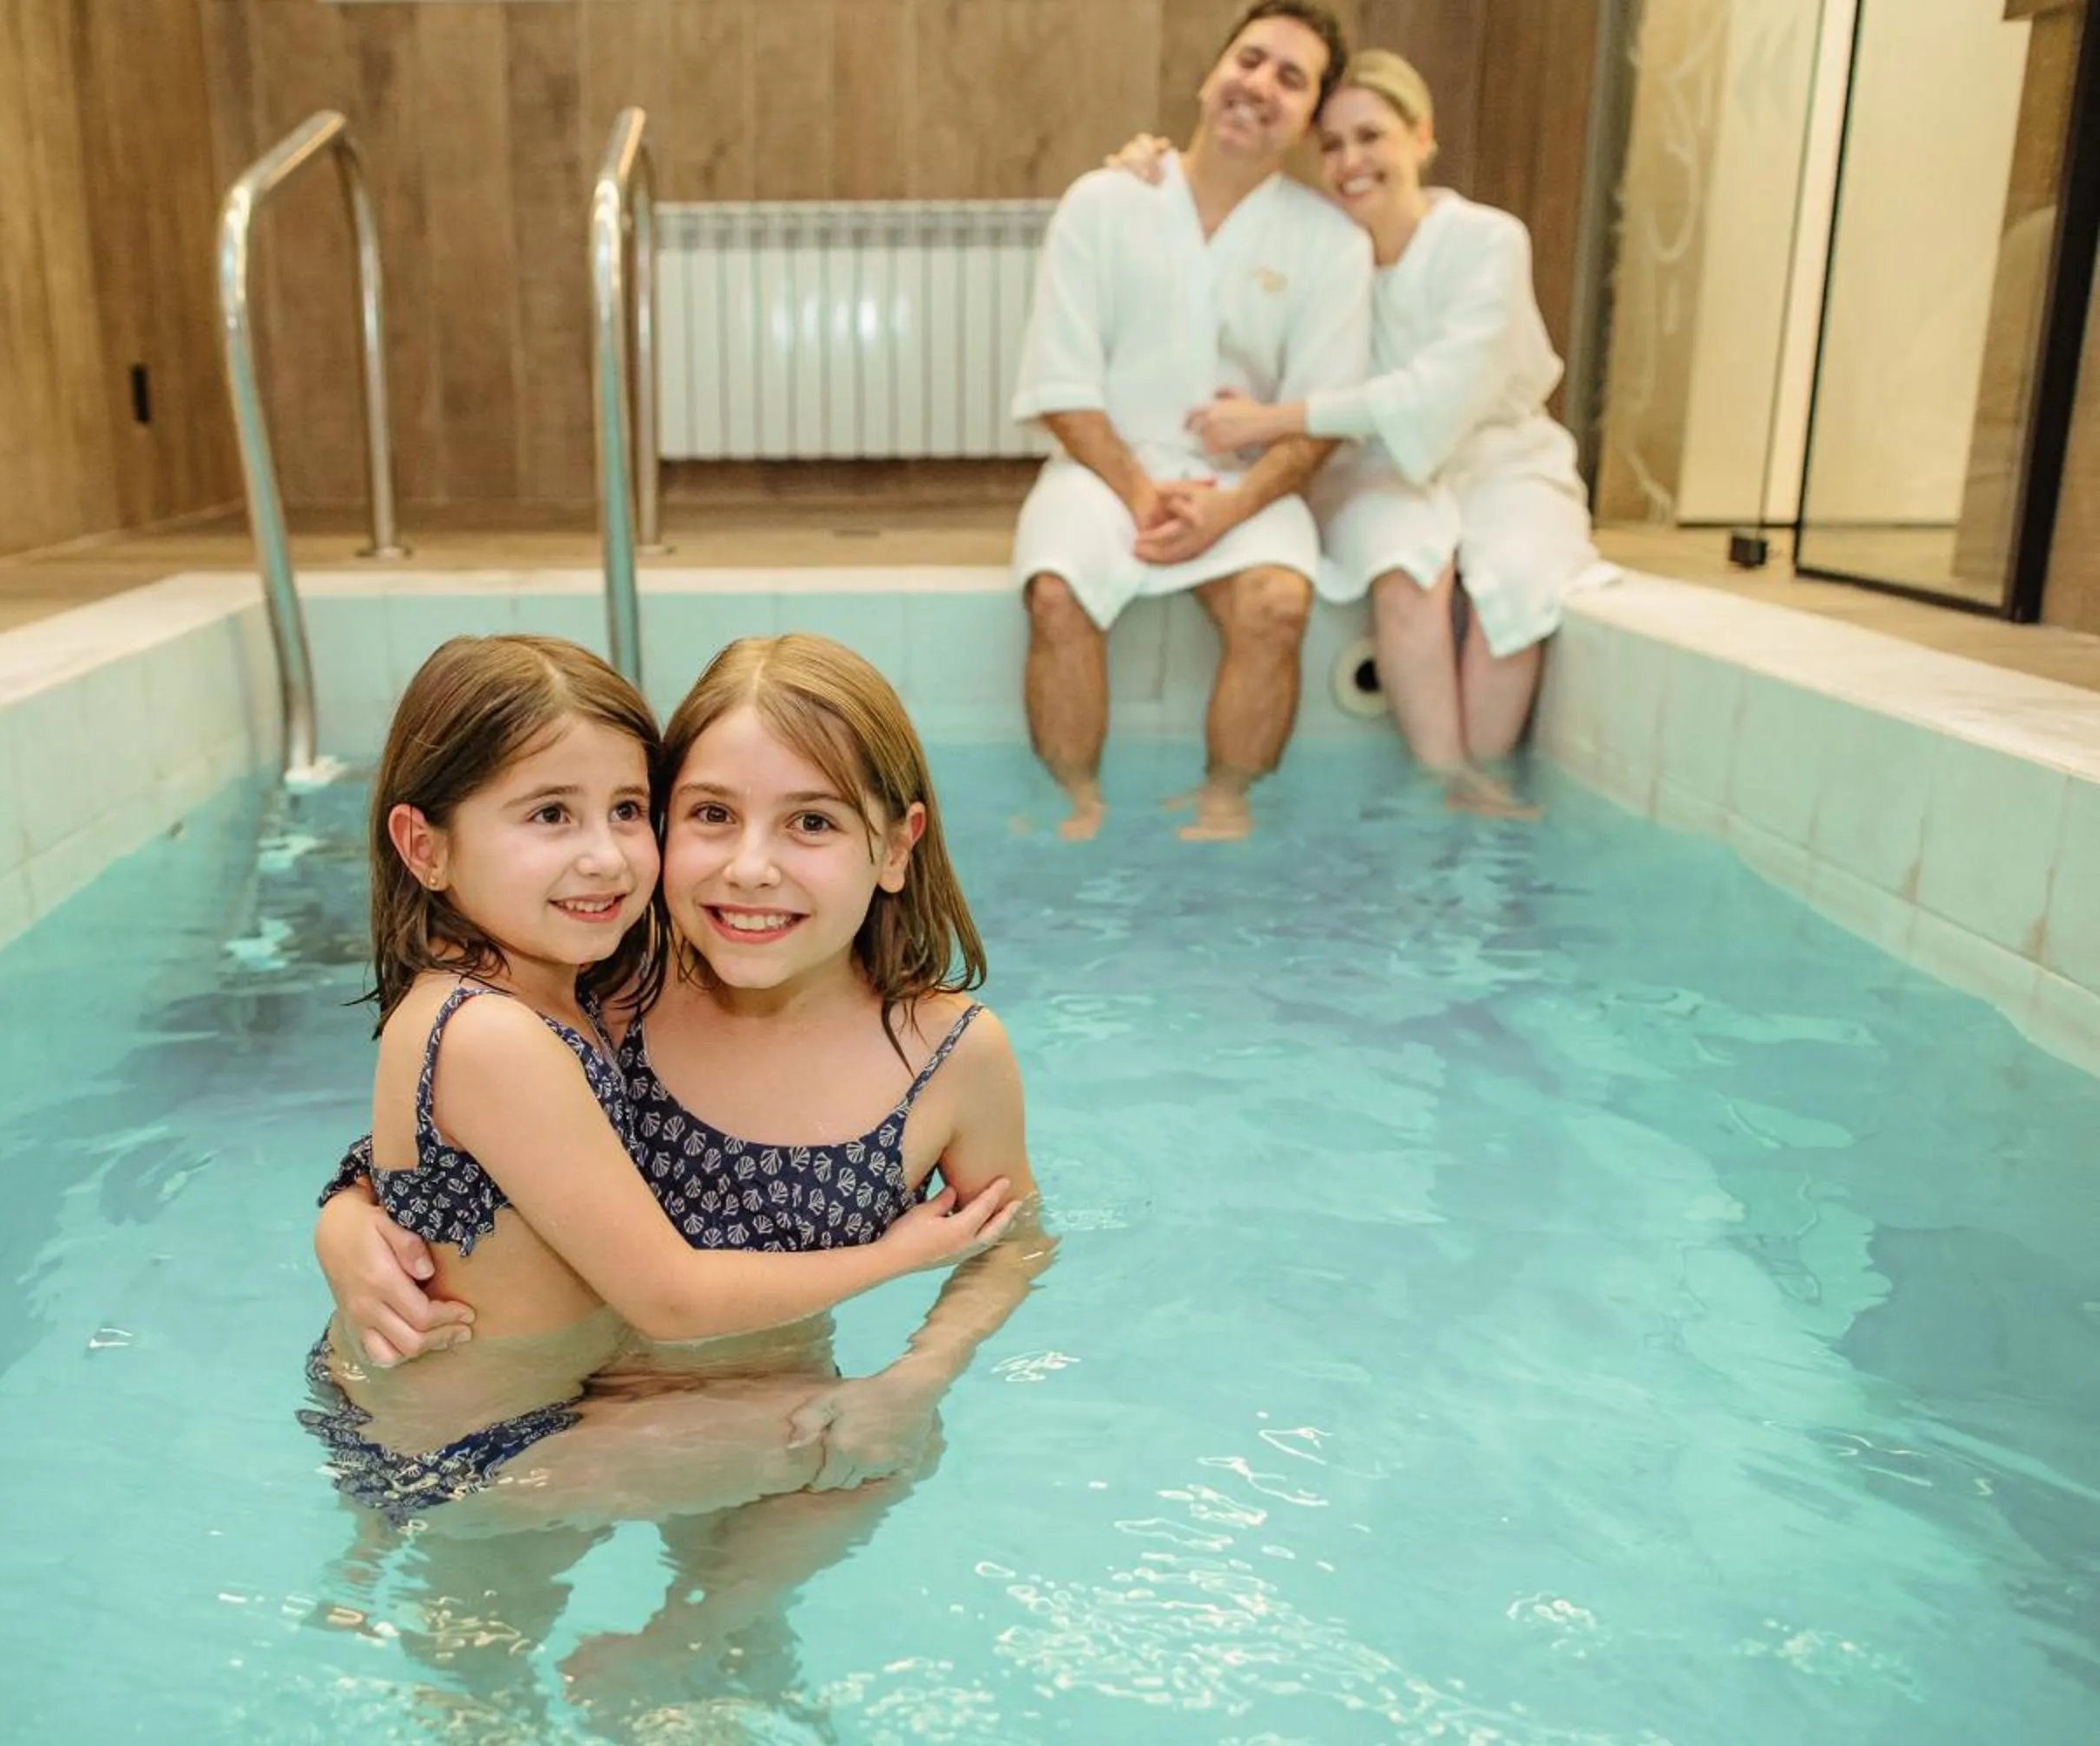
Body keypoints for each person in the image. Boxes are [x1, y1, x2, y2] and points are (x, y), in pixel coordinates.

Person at [321, 635, 1053, 1714]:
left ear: (896, 845)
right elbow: (443, 1146)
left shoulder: (950, 1052)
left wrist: (918, 1372)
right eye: (710, 814)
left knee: (746, 1649)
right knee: (477, 1678)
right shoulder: (619, 979)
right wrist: (342, 1221)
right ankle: (658, 1658)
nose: (750, 867)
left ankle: (678, 1652)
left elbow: (1013, 1233)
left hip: (725, 1410)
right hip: (545, 1419)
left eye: (810, 821)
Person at [1114, 51, 1619, 813]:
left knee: (1514, 584)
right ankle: (1441, 782)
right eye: (1334, 144)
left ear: (1421, 137)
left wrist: (1275, 419)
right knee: (1408, 562)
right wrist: (1150, 164)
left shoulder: (1486, 241)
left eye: (1371, 136)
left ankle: (1486, 793)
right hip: (1373, 464)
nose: (1351, 161)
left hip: (1501, 458)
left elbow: (1440, 392)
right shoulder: (1332, 251)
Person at [1010, 0, 1370, 843]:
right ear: (1211, 76)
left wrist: (1228, 510)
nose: (1259, 86)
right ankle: (1078, 805)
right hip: (1105, 472)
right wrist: (1140, 492)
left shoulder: (1329, 243)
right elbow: (1062, 386)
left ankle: (1224, 805)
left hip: (1242, 483)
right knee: (1057, 593)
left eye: (1291, 78)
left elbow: (1318, 422)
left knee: (1278, 604)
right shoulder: (1102, 203)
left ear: (1309, 119)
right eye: (1248, 60)